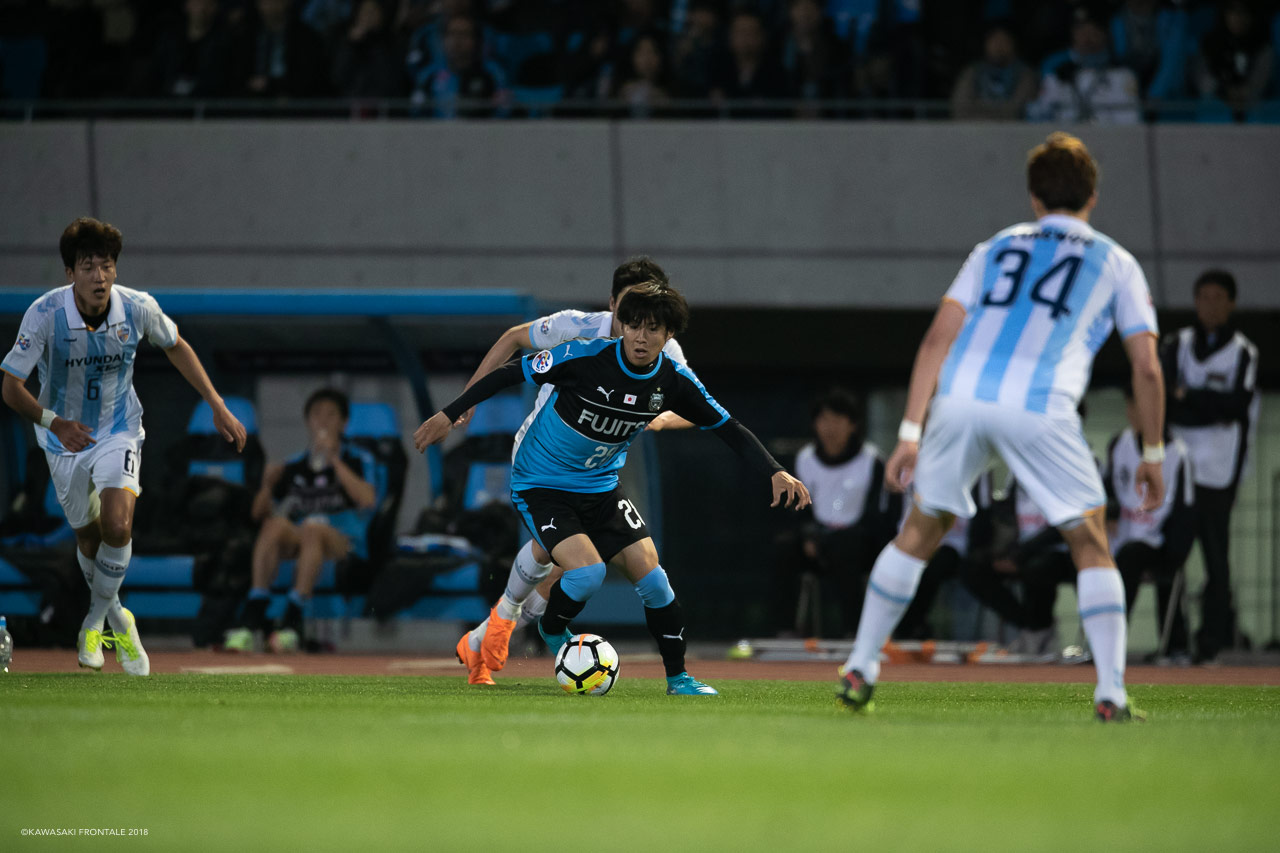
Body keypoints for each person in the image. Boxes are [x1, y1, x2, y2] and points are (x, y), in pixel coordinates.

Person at [835, 132, 1165, 722]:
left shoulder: (996, 246)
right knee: (1090, 540)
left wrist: (909, 432)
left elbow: (936, 340)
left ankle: (861, 664)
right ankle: (1111, 693)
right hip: (1039, 404)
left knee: (920, 530)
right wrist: (1154, 452)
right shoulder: (1116, 262)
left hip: (960, 398)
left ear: (1035, 198)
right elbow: (1147, 367)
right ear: (1093, 195)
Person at [415, 281, 811, 695]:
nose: (641, 336)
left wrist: (775, 470)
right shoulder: (584, 355)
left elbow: (727, 426)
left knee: (655, 582)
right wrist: (450, 413)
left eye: (653, 328)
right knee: (588, 573)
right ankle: (551, 631)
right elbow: (511, 371)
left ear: (669, 335)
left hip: (601, 487)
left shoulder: (673, 379)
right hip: (542, 483)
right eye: (634, 325)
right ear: (620, 323)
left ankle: (679, 679)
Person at [1, 217, 248, 675]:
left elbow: (176, 345)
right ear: (70, 273)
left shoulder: (137, 307)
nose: (99, 277)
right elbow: (10, 387)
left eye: (107, 266)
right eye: (88, 267)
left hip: (118, 430)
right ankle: (119, 617)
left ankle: (93, 622)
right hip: (62, 439)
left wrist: (216, 403)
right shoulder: (44, 313)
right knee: (88, 537)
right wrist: (56, 423)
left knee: (118, 525)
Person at [450, 257, 693, 685]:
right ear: (613, 303)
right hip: (545, 460)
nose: (638, 322)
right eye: (629, 308)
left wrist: (660, 419)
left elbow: (695, 407)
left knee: (572, 564)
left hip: (601, 467)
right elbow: (513, 338)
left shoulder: (663, 347)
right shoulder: (577, 327)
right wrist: (467, 399)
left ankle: (487, 634)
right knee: (565, 558)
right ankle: (504, 622)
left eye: (648, 310)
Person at [224, 388, 376, 653]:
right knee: (275, 525)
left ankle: (292, 619)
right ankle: (254, 611)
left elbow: (367, 500)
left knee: (313, 529)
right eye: (317, 414)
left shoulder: (357, 459)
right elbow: (257, 514)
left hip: (343, 541)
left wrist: (333, 459)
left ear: (344, 423)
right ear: (308, 421)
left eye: (331, 415)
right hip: (303, 538)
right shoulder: (294, 464)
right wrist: (267, 486)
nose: (323, 421)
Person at [1162, 269, 1258, 662]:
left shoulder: (1243, 352)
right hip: (1177, 469)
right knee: (1169, 554)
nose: (1211, 305)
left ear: (1231, 304)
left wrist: (1189, 396)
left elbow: (1235, 407)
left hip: (1219, 472)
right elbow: (1166, 398)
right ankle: (1173, 641)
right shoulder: (1177, 344)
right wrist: (1205, 405)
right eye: (1204, 297)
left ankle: (1210, 644)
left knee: (1216, 559)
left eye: (1219, 298)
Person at [781, 388, 895, 637]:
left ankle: (853, 632)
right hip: (816, 542)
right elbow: (798, 509)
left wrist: (844, 534)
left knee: (846, 546)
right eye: (823, 420)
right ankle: (785, 629)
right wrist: (809, 535)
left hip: (859, 544)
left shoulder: (871, 460)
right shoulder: (805, 459)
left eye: (837, 420)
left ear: (852, 425)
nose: (829, 428)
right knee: (784, 548)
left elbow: (878, 513)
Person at [1106, 382, 1196, 662]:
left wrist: (1176, 556)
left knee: (1136, 558)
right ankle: (1102, 642)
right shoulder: (1119, 444)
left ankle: (1171, 645)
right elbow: (1107, 489)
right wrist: (1110, 514)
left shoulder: (1177, 454)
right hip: (1120, 539)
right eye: (1129, 406)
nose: (1131, 412)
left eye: (1136, 405)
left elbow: (1185, 512)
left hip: (1156, 543)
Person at [1028, 10, 1141, 124]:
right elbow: (1042, 113)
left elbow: (1130, 118)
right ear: (1073, 34)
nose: (1087, 37)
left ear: (1104, 34)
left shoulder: (1122, 73)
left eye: (1093, 31)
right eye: (1081, 30)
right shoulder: (1057, 70)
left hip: (1107, 132)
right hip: (1065, 132)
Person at [949, 22, 1037, 121]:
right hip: (975, 128)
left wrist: (984, 111)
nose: (998, 47)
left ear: (1013, 44)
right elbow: (960, 108)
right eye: (994, 41)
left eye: (1003, 41)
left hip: (1013, 129)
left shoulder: (1025, 74)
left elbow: (1018, 110)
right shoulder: (973, 72)